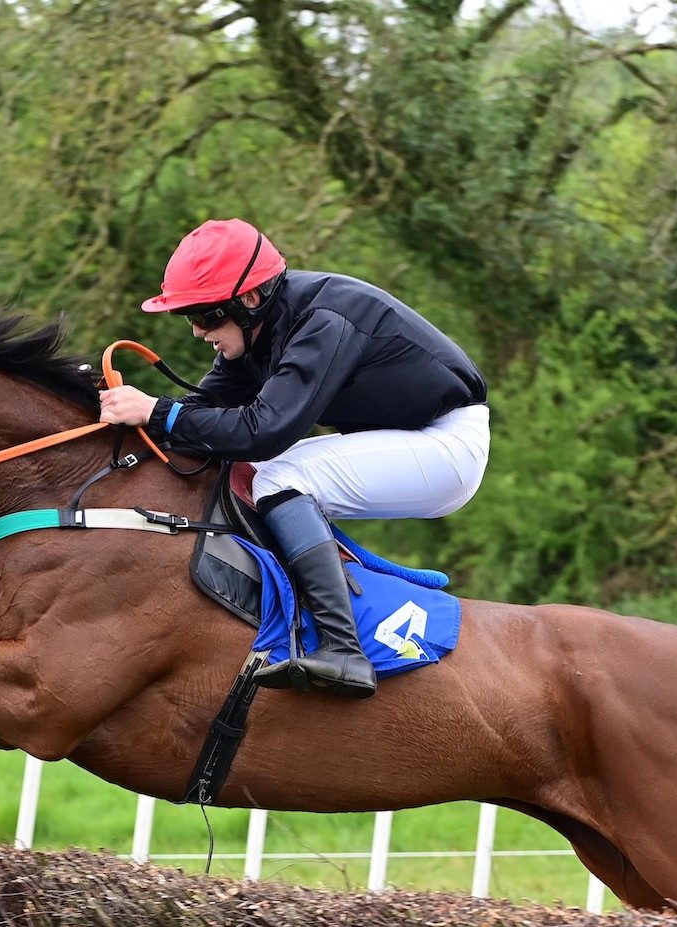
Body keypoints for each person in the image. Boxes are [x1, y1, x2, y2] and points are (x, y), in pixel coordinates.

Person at [99, 218, 489, 699]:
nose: (199, 332)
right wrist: (130, 416)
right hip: (409, 437)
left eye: (204, 316)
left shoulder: (324, 319)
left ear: (248, 300)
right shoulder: (256, 330)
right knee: (259, 473)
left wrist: (158, 412)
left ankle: (344, 649)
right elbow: (201, 414)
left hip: (446, 445)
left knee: (281, 473)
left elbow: (262, 432)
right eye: (190, 319)